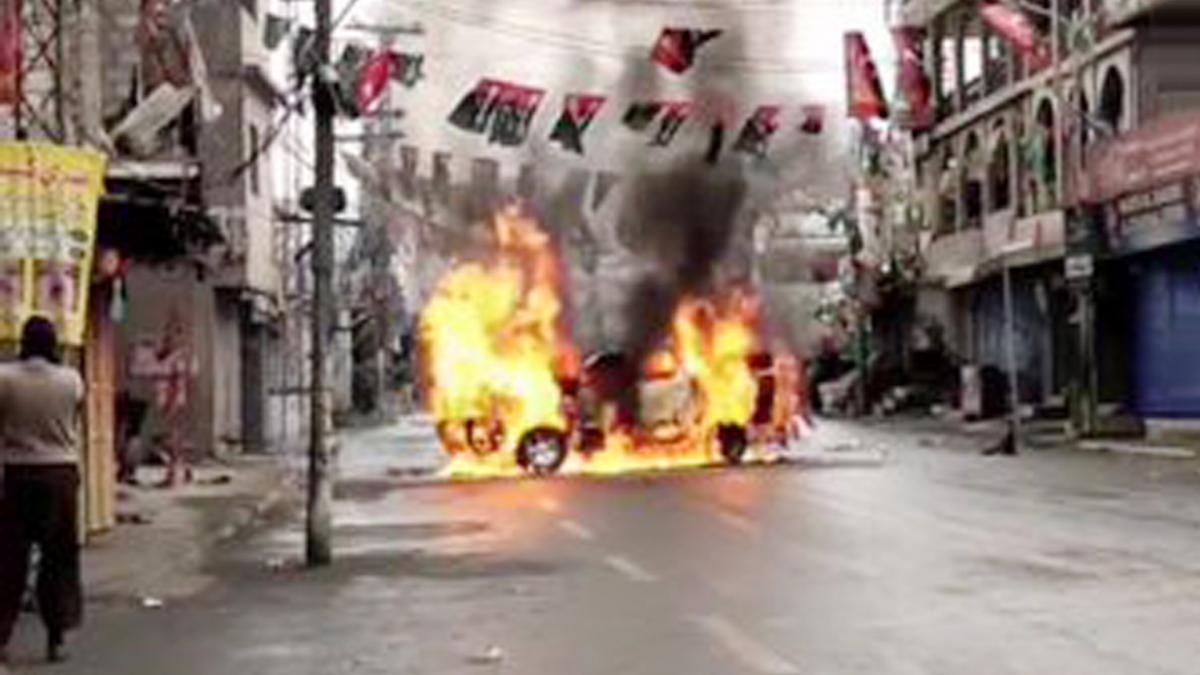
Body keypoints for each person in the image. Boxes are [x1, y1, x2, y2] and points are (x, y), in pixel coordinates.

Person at [0, 317, 85, 665]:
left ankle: (2, 636)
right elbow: (75, 416)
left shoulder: (5, 378)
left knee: (8, 560)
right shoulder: (71, 379)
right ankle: (57, 637)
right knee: (59, 558)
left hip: (17, 473)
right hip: (61, 474)